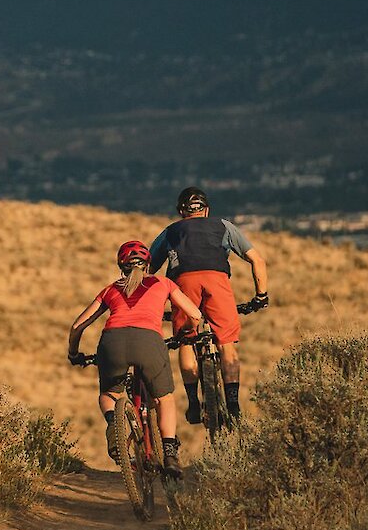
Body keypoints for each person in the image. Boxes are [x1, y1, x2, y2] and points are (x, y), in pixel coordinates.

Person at [67, 239, 204, 477]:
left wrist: (74, 353)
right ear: (148, 264)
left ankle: (115, 425)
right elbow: (194, 314)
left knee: (109, 394)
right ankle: (170, 453)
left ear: (122, 266)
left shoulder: (110, 289)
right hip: (149, 341)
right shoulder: (163, 283)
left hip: (112, 342)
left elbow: (78, 326)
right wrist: (185, 333)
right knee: (164, 398)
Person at [148, 186, 270, 425]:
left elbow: (148, 271)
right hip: (217, 281)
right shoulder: (224, 226)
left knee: (186, 339)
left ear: (182, 212)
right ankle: (233, 404)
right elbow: (258, 260)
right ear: (206, 211)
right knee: (226, 342)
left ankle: (194, 403)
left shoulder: (170, 232)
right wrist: (260, 296)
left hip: (183, 284)